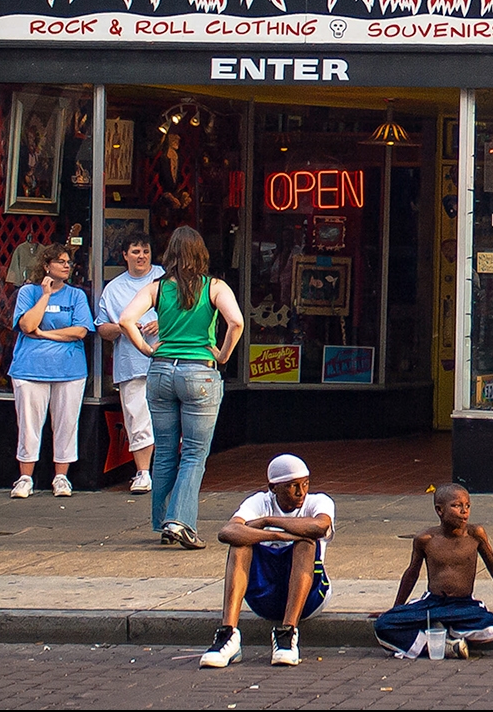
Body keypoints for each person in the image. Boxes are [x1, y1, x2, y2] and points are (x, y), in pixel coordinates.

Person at [120, 225, 244, 550]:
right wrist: (223, 354)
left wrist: (148, 349)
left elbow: (125, 320)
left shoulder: (157, 288)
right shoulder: (214, 286)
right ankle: (181, 523)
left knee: (164, 451)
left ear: (169, 254)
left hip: (160, 371)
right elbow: (237, 321)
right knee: (193, 454)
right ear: (201, 254)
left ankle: (164, 522)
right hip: (199, 372)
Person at [199, 454, 334, 669]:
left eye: (305, 484)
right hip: (265, 595)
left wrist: (267, 522)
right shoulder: (258, 502)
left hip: (310, 598)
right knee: (239, 544)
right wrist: (276, 535)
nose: (301, 492)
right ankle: (228, 634)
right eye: (292, 486)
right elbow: (227, 532)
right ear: (273, 488)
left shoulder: (319, 501)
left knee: (306, 542)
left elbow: (319, 527)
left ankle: (287, 632)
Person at [373, 483, 493, 659]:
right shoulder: (425, 539)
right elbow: (411, 573)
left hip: (463, 604)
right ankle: (440, 643)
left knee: (489, 629)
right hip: (433, 604)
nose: (464, 511)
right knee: (383, 625)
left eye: (467, 506)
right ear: (439, 510)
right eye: (457, 506)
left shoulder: (475, 534)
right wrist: (396, 608)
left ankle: (444, 630)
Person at [8, 244, 95, 498]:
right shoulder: (28, 292)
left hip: (70, 370)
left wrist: (45, 334)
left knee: (67, 423)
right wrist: (45, 296)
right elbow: (27, 325)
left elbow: (80, 331)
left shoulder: (76, 296)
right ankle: (25, 477)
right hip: (29, 369)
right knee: (29, 424)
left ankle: (61, 477)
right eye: (60, 261)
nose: (67, 265)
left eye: (68, 261)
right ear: (46, 266)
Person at [94, 230, 164, 494]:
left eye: (145, 251)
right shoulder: (114, 289)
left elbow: (188, 310)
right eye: (135, 251)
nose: (141, 256)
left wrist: (163, 321)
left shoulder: (165, 278)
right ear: (124, 256)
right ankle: (143, 473)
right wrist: (125, 328)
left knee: (168, 416)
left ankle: (168, 471)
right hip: (131, 363)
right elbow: (101, 329)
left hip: (167, 357)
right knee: (137, 418)